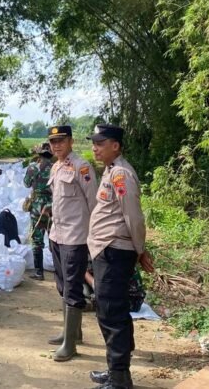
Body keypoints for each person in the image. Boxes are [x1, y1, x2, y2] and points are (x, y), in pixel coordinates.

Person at [86, 124, 154, 389]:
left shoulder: (121, 174)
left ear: (115, 145)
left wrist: (140, 250)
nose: (95, 147)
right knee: (107, 311)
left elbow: (134, 218)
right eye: (93, 142)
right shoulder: (112, 171)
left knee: (113, 313)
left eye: (100, 143)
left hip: (116, 252)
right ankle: (114, 369)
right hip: (107, 251)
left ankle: (120, 378)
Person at [45, 125, 98, 361]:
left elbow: (94, 204)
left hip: (75, 237)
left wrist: (94, 237)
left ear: (71, 142)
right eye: (53, 142)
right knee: (62, 285)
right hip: (57, 235)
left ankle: (70, 345)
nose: (56, 145)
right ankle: (72, 333)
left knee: (73, 288)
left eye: (61, 141)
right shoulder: (56, 166)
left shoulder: (82, 167)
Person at [24, 142, 53, 281]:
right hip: (53, 205)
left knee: (37, 239)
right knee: (55, 238)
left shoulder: (33, 167)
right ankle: (60, 271)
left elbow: (26, 183)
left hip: (37, 206)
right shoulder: (56, 168)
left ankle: (39, 272)